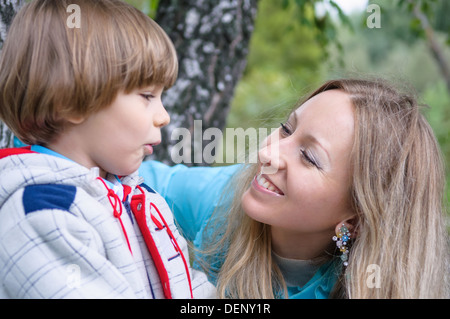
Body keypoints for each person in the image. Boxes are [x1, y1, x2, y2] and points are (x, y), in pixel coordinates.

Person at [140, 78, 449, 298]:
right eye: (287, 128)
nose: (267, 154)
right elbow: (137, 179)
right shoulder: (227, 198)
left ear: (353, 222)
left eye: (309, 157)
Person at [0, 0, 214, 299]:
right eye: (147, 95)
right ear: (71, 103)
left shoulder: (141, 199)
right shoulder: (45, 215)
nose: (163, 116)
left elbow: (185, 290)